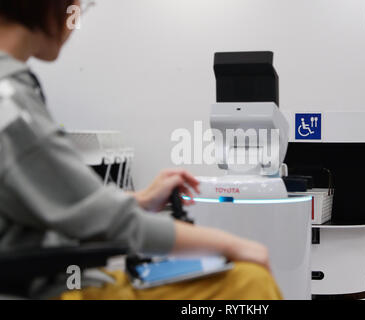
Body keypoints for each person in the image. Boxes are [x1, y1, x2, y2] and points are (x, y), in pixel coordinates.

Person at [0, 0, 282, 300]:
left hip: (55, 272)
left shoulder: (12, 96)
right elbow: (115, 225)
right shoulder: (12, 106)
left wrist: (141, 199)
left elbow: (68, 205)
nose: (76, 18)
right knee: (249, 282)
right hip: (59, 286)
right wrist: (236, 245)